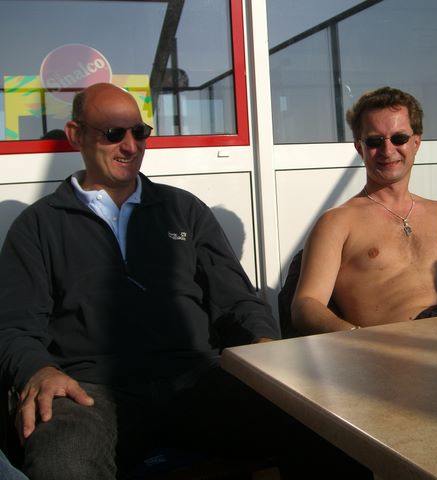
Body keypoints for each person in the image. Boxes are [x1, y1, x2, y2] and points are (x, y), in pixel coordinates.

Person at [0, 83, 369, 479]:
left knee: (325, 425)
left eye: (139, 132)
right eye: (113, 134)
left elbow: (236, 300)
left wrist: (264, 344)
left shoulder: (183, 210)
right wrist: (38, 370)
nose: (130, 146)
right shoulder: (39, 226)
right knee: (62, 459)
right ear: (76, 135)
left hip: (195, 378)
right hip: (91, 389)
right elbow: (15, 327)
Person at [292, 86, 437, 334]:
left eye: (399, 138)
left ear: (416, 142)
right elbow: (306, 304)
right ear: (359, 148)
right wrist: (356, 338)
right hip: (392, 350)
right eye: (375, 141)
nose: (387, 150)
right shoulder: (338, 222)